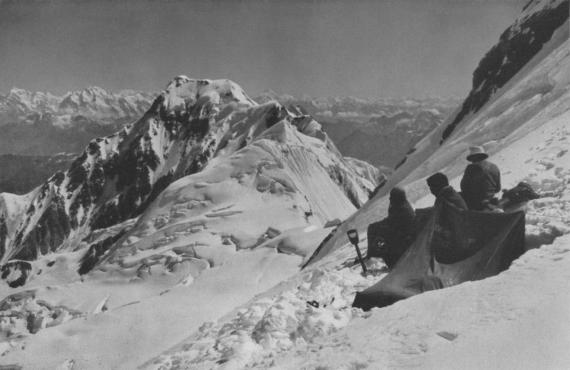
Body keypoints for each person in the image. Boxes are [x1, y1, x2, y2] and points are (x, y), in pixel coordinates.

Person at [367, 187, 415, 268]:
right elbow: (391, 221)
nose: (389, 199)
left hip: (401, 242)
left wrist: (380, 228)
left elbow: (393, 225)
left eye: (392, 197)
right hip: (399, 236)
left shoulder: (402, 210)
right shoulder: (401, 206)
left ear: (397, 198)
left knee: (373, 229)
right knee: (374, 228)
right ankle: (373, 253)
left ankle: (373, 254)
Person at [460, 146, 501, 211]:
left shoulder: (471, 169)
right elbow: (498, 188)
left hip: (477, 203)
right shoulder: (494, 167)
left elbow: (464, 188)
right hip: (491, 199)